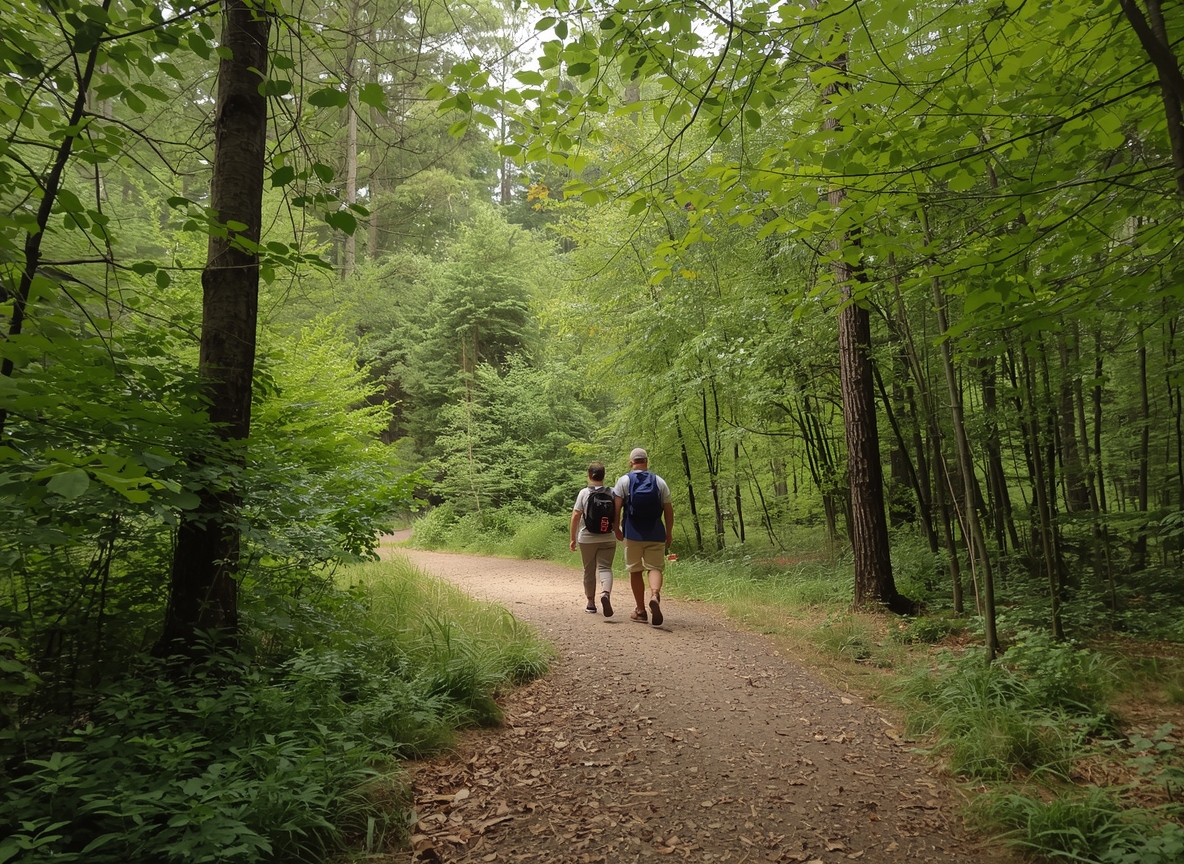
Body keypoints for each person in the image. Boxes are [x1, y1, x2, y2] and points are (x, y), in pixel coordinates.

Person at [613, 447, 674, 626]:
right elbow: (669, 510)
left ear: (631, 462)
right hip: (655, 531)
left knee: (635, 570)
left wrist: (616, 528)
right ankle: (655, 594)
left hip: (632, 533)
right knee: (654, 567)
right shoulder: (659, 482)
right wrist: (668, 533)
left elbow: (616, 507)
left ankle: (640, 611)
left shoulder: (624, 481)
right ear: (646, 461)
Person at [570, 461, 617, 617]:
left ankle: (591, 604)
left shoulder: (584, 493)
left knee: (589, 570)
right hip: (608, 536)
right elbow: (617, 515)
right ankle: (605, 593)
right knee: (605, 568)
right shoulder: (613, 492)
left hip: (587, 538)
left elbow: (576, 515)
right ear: (604, 475)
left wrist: (572, 538)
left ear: (589, 475)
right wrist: (617, 531)